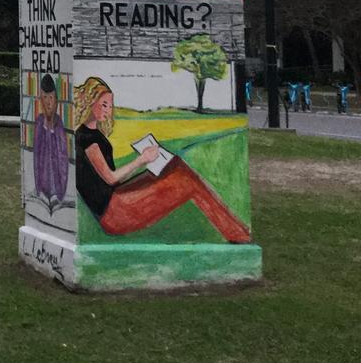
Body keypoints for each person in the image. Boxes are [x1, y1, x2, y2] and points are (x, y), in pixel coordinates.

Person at [73, 76, 250, 243]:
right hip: (113, 213)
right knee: (186, 180)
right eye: (104, 105)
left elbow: (108, 182)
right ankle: (237, 233)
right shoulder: (89, 140)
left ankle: (236, 231)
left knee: (174, 166)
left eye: (110, 106)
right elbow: (110, 178)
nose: (108, 110)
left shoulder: (89, 134)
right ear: (90, 102)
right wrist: (141, 160)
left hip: (115, 202)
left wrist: (147, 164)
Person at [32, 74, 68, 205]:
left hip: (56, 189)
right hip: (42, 188)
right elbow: (36, 157)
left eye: (51, 98)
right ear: (40, 100)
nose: (48, 102)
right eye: (44, 97)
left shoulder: (59, 123)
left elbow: (62, 159)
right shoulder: (39, 122)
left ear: (56, 101)